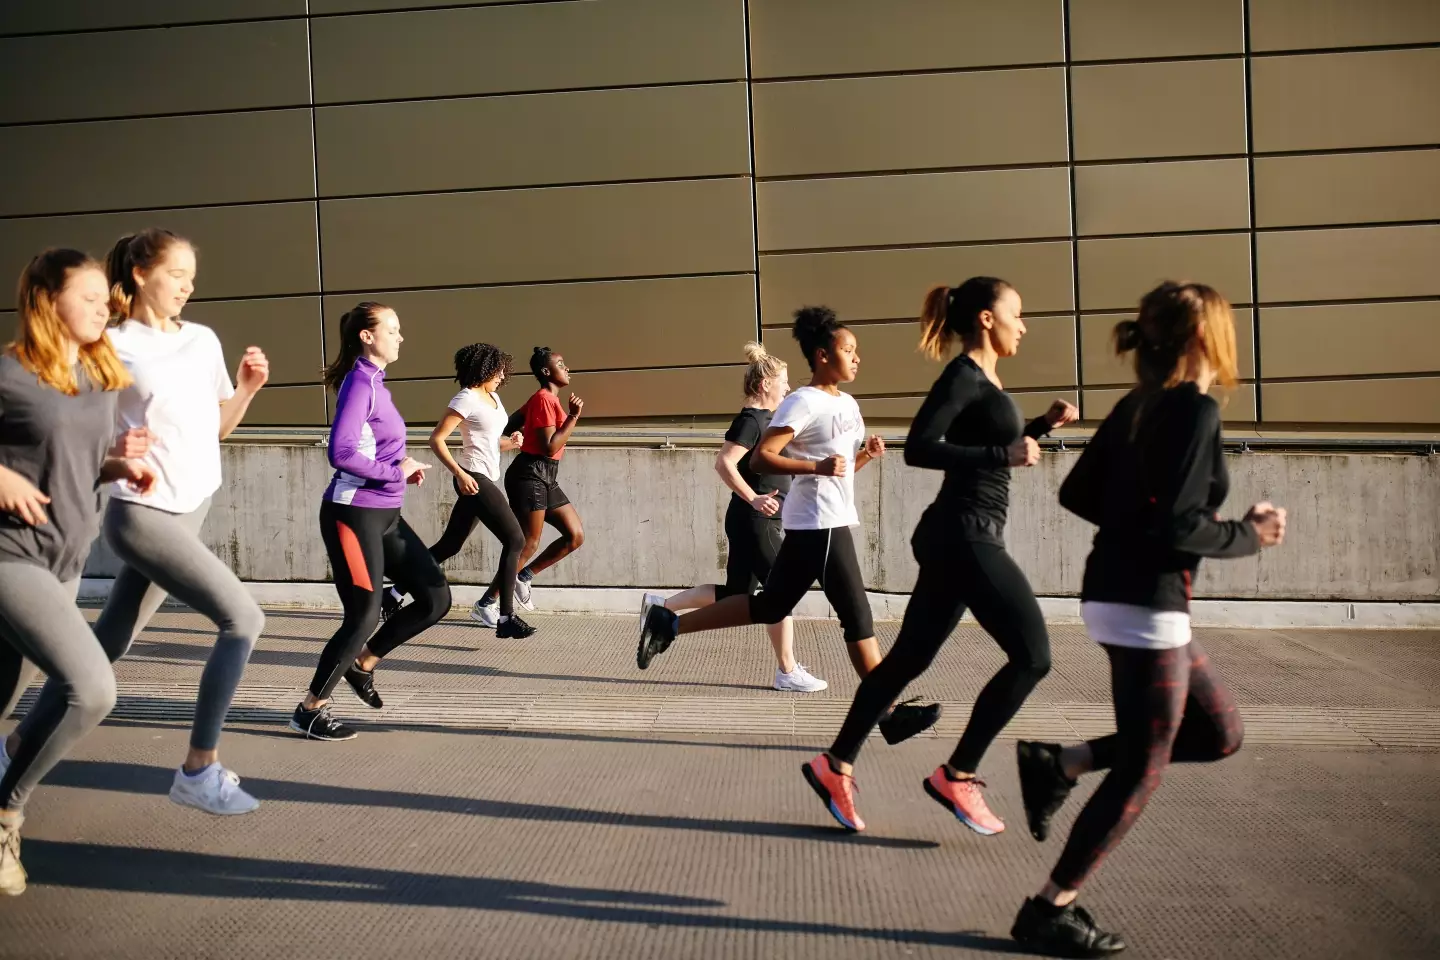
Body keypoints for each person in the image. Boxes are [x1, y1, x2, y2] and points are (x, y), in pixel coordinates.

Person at [1009, 281, 1286, 957]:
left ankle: (1062, 762)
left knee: (1220, 732)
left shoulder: (1139, 404)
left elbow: (1080, 492)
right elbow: (1177, 524)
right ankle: (1052, 907)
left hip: (1118, 594)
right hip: (1146, 606)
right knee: (1143, 769)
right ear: (1204, 339)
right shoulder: (1191, 412)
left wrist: (1144, 526)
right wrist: (1250, 534)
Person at [804, 278, 1079, 833]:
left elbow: (986, 447)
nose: (1022, 325)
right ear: (984, 318)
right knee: (1032, 656)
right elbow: (923, 446)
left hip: (962, 533)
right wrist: (1005, 449)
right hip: (964, 533)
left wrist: (1041, 428)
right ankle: (958, 776)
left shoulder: (986, 381)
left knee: (908, 660)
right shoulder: (963, 376)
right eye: (1016, 313)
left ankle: (835, 766)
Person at [10, 230, 269, 817]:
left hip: (193, 504)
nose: (188, 285)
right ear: (141, 273)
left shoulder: (203, 340)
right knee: (243, 618)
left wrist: (248, 389)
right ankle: (198, 769)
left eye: (191, 275)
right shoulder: (110, 346)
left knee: (109, 641)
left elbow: (216, 430)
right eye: (177, 273)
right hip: (139, 513)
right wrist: (113, 445)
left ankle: (17, 745)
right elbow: (70, 423)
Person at [636, 307, 939, 744]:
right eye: (847, 350)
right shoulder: (802, 401)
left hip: (821, 521)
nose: (856, 358)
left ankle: (671, 624)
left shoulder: (847, 403)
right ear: (820, 355)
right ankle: (888, 714)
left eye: (857, 351)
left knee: (769, 605)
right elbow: (761, 457)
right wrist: (815, 466)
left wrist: (864, 457)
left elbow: (838, 469)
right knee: (857, 615)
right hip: (820, 524)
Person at [0, 249, 156, 894]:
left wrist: (116, 465)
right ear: (45, 298)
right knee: (91, 689)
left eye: (105, 297)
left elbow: (69, 466)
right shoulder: (8, 373)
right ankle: (7, 811)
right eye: (88, 296)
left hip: (63, 560)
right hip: (10, 556)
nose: (103, 306)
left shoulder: (95, 375)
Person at [290, 302, 452, 741]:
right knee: (362, 614)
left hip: (386, 515)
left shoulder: (378, 385)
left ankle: (363, 664)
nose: (401, 337)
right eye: (393, 329)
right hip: (352, 514)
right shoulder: (359, 383)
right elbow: (340, 453)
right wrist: (393, 471)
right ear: (367, 336)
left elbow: (376, 447)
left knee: (435, 599)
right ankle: (310, 709)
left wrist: (402, 464)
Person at [642, 342, 826, 693]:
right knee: (781, 590)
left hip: (751, 520)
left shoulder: (767, 421)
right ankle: (787, 671)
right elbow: (723, 462)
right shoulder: (751, 420)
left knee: (736, 594)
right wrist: (755, 498)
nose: (787, 388)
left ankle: (661, 607)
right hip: (757, 520)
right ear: (763, 385)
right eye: (783, 382)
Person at [381, 343, 535, 639]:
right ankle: (505, 618)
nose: (503, 376)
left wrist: (512, 442)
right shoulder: (465, 398)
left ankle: (395, 592)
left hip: (485, 476)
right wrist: (460, 473)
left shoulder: (493, 398)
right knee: (516, 539)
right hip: (473, 478)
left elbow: (489, 441)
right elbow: (437, 439)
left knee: (450, 545)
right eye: (499, 369)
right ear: (485, 368)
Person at [503, 347, 585, 611]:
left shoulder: (545, 400)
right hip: (531, 474)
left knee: (574, 535)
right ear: (546, 371)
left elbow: (511, 422)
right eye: (561, 364)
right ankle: (488, 602)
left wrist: (515, 435)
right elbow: (550, 446)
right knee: (529, 542)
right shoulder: (543, 399)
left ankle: (523, 577)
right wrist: (572, 417)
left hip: (547, 475)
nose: (567, 368)